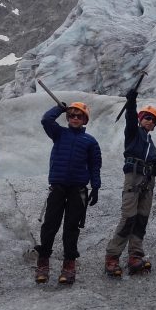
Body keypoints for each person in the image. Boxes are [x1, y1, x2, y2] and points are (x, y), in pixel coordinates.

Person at [104, 89, 156, 277]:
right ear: (141, 119)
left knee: (141, 219)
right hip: (133, 179)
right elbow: (130, 118)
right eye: (147, 117)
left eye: (153, 119)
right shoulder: (134, 134)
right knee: (128, 218)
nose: (149, 121)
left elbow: (151, 168)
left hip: (148, 183)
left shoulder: (151, 143)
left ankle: (135, 256)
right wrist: (132, 102)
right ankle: (112, 257)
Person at [34, 101, 101, 285]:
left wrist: (96, 186)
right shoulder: (59, 133)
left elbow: (95, 165)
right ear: (68, 117)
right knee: (50, 225)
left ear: (85, 119)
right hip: (57, 187)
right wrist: (60, 108)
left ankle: (69, 265)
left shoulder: (90, 141)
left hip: (78, 190)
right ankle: (43, 263)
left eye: (79, 116)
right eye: (72, 115)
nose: (75, 118)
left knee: (71, 228)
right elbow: (46, 120)